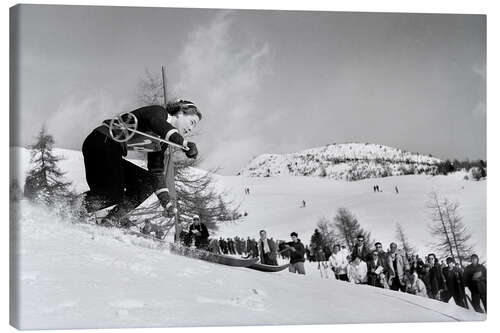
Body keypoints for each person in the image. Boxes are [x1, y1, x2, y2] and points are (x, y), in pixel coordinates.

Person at [81, 100, 201, 224]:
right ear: (180, 113)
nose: (191, 129)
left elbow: (156, 171)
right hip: (101, 141)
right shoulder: (159, 112)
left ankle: (110, 221)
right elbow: (156, 122)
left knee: (147, 182)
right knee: (113, 193)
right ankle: (71, 207)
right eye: (192, 122)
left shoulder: (162, 141)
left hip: (110, 151)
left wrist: (166, 202)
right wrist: (182, 142)